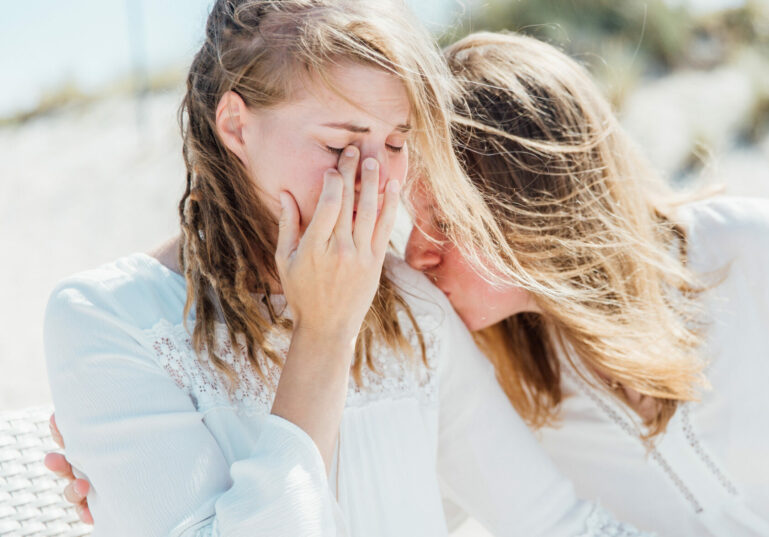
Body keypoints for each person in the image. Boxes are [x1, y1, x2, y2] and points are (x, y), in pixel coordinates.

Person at [48, 29, 769, 537]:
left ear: (535, 217)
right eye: (347, 149)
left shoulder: (754, 253)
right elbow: (411, 491)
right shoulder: (481, 352)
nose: (400, 234)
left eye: (442, 221)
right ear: (233, 126)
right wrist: (162, 486)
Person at [40, 2, 647, 535]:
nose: (376, 178)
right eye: (339, 144)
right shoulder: (107, 320)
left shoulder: (415, 307)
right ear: (235, 125)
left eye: (395, 142)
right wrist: (325, 334)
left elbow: (559, 525)